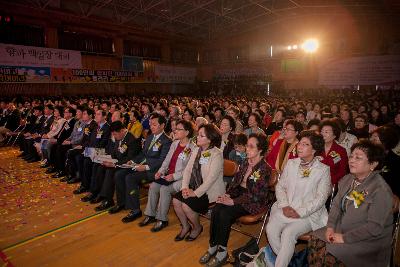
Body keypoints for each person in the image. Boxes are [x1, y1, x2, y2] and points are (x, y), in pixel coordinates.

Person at [308, 141, 392, 267]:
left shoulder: (380, 190)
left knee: (331, 252)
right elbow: (336, 206)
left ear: (373, 164)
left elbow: (374, 227)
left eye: (358, 158)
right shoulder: (348, 179)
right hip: (343, 228)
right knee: (315, 240)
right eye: (351, 156)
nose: (352, 160)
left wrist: (344, 238)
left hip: (369, 241)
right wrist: (330, 227)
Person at [200, 133, 273, 267]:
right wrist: (227, 195)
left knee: (225, 213)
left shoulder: (265, 169)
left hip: (252, 200)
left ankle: (222, 253)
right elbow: (236, 183)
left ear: (260, 150)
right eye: (247, 146)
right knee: (217, 208)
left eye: (251, 146)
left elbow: (255, 195)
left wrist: (233, 201)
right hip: (240, 194)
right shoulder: (246, 162)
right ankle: (213, 246)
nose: (247, 149)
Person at [266, 130, 331, 267]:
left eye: (305, 144)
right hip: (287, 207)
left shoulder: (323, 170)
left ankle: (281, 263)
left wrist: (300, 212)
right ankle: (290, 261)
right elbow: (280, 186)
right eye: (299, 143)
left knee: (288, 233)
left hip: (308, 214)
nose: (299, 146)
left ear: (314, 149)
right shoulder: (292, 163)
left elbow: (321, 198)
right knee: (270, 229)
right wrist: (284, 205)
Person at [112, 113, 172, 222]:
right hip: (143, 166)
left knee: (130, 178)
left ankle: (135, 210)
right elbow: (143, 154)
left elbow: (162, 161)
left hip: (155, 171)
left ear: (162, 125)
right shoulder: (150, 137)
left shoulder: (167, 141)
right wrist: (133, 161)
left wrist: (145, 167)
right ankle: (122, 203)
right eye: (150, 124)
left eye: (154, 124)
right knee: (120, 174)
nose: (151, 127)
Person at [139, 120, 196, 232]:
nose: (175, 130)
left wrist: (174, 176)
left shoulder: (192, 148)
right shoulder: (175, 143)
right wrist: (160, 171)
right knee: (154, 186)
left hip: (183, 179)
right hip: (168, 175)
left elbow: (188, 170)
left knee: (165, 190)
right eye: (176, 128)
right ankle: (150, 215)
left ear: (187, 132)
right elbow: (166, 160)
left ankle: (162, 219)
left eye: (179, 129)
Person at [173, 124, 225, 242]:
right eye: (198, 134)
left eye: (202, 135)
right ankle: (186, 226)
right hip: (194, 186)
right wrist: (184, 187)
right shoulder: (196, 150)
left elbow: (211, 179)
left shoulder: (217, 154)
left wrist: (195, 193)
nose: (198, 137)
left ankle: (197, 228)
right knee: (176, 201)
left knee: (186, 206)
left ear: (210, 139)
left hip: (209, 192)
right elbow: (187, 170)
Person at [370, 126, 400, 197]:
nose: (371, 140)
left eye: (375, 138)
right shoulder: (367, 156)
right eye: (371, 137)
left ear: (386, 141)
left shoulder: (395, 161)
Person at [320, 120, 348, 186]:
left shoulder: (340, 151)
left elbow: (342, 171)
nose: (323, 134)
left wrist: (328, 181)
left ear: (334, 135)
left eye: (326, 132)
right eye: (321, 131)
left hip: (332, 184)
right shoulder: (316, 148)